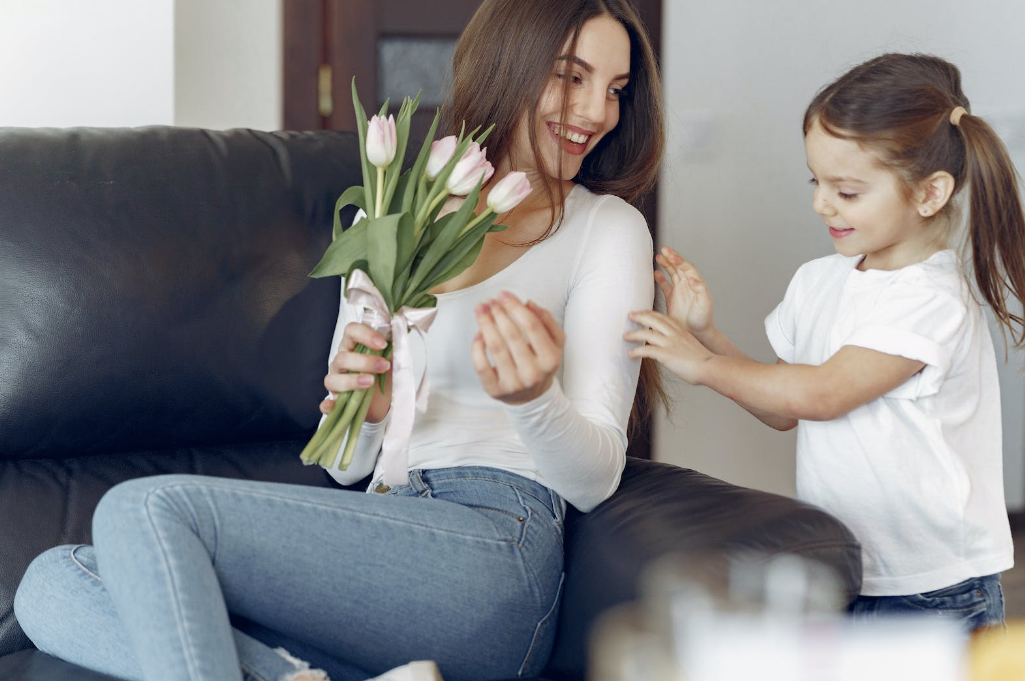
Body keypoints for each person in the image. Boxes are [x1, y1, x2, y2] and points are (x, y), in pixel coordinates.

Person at [14, 1, 665, 680]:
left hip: (493, 548)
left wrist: (533, 399)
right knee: (53, 580)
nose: (596, 112)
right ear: (510, 65)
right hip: (379, 541)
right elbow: (349, 464)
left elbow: (594, 479)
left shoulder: (604, 228)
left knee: (141, 508)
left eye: (616, 90)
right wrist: (370, 411)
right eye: (571, 77)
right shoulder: (395, 215)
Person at [628, 52, 1021, 632]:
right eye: (817, 182)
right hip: (847, 571)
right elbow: (784, 405)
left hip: (935, 587)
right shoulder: (818, 282)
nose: (821, 204)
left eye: (848, 191)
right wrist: (706, 333)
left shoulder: (932, 299)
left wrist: (704, 364)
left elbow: (821, 395)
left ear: (930, 193)